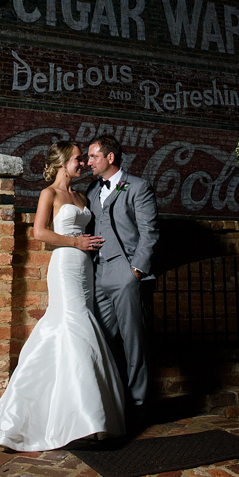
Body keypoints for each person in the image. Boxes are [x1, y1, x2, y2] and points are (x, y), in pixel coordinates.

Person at [0, 141, 126, 451]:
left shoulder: (81, 195)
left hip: (86, 269)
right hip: (64, 266)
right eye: (78, 159)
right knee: (76, 328)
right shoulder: (49, 194)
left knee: (70, 330)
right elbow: (39, 233)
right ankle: (85, 421)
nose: (83, 164)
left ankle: (78, 417)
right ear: (63, 163)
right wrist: (74, 243)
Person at [87, 134, 159, 430]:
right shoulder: (92, 190)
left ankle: (139, 404)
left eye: (93, 156)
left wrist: (136, 272)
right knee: (103, 339)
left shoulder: (138, 187)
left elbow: (149, 233)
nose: (88, 162)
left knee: (134, 341)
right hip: (99, 272)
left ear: (110, 158)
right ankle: (115, 400)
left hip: (125, 272)